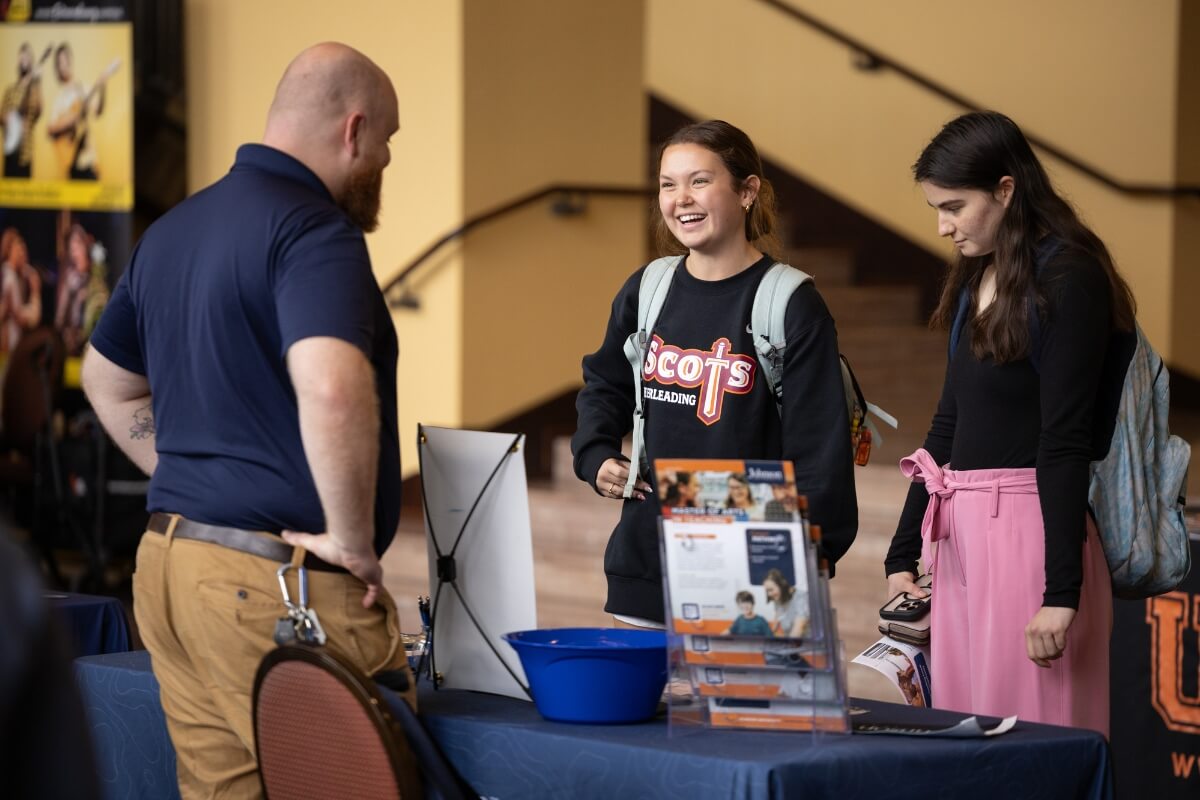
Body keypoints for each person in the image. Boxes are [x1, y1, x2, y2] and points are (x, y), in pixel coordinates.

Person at [81, 42, 411, 797]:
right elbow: (332, 387)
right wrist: (352, 543)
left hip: (170, 569)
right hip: (272, 586)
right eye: (387, 142)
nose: (386, 163)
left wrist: (193, 477)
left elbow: (108, 380)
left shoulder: (174, 230)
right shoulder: (315, 231)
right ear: (354, 130)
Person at [884, 111, 1134, 737]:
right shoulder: (981, 272)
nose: (942, 226)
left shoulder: (1070, 275)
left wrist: (1061, 593)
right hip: (961, 533)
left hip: (1029, 531)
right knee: (967, 744)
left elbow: (1066, 438)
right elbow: (947, 423)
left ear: (1005, 189)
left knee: (1034, 745)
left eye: (953, 206)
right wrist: (903, 549)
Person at [572, 120, 857, 629]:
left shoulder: (791, 303)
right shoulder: (648, 288)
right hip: (646, 560)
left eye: (699, 181)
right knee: (646, 710)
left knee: (737, 711)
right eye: (668, 184)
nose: (681, 198)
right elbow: (604, 382)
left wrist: (810, 552)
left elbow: (819, 446)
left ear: (747, 191)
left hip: (751, 565)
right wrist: (593, 452)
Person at [46, 43, 118, 180]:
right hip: (70, 162)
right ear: (57, 67)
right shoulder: (58, 98)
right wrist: (70, 120)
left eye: (65, 60)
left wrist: (102, 87)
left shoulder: (82, 88)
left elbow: (98, 111)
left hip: (88, 158)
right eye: (60, 62)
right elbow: (50, 129)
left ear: (70, 61)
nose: (63, 65)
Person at [54, 222, 106, 355]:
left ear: (86, 248)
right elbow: (60, 317)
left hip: (93, 343)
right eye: (72, 250)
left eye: (78, 247)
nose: (75, 253)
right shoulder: (70, 280)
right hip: (70, 343)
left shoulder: (96, 276)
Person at [1, 42, 45, 178]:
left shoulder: (34, 89)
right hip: (10, 151)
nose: (24, 59)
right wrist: (7, 118)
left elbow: (38, 111)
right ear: (18, 61)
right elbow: (1, 115)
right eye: (22, 56)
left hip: (26, 154)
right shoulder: (10, 90)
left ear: (31, 62)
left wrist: (37, 82)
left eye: (27, 57)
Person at [0, 227, 42, 356]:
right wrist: (35, 292)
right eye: (19, 250)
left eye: (24, 249)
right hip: (10, 343)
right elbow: (20, 317)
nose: (23, 254)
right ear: (9, 251)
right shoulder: (9, 277)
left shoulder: (14, 275)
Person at [763, 567, 808, 638]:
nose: (769, 594)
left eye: (771, 590)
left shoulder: (801, 598)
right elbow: (776, 621)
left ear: (783, 585)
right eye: (767, 591)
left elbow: (799, 628)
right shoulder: (778, 600)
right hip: (789, 643)